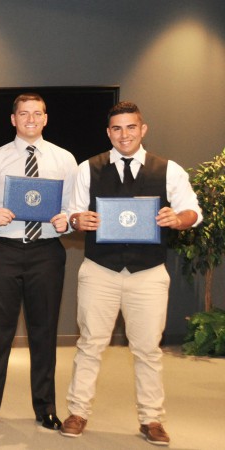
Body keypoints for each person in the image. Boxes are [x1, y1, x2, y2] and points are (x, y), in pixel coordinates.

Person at [61, 102, 200, 446]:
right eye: (117, 129)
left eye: (131, 127)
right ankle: (78, 412)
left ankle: (151, 419)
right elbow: (69, 215)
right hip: (99, 270)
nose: (124, 134)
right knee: (90, 344)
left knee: (148, 350)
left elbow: (192, 211)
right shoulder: (88, 168)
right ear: (109, 132)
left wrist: (177, 219)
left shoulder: (168, 170)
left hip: (148, 273)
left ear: (143, 129)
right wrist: (79, 220)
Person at [0, 93, 77, 430]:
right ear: (13, 119)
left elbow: (74, 206)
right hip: (2, 251)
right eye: (24, 113)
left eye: (37, 113)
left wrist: (68, 220)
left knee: (44, 333)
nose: (30, 119)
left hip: (46, 252)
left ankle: (46, 407)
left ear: (46, 118)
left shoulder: (65, 159)